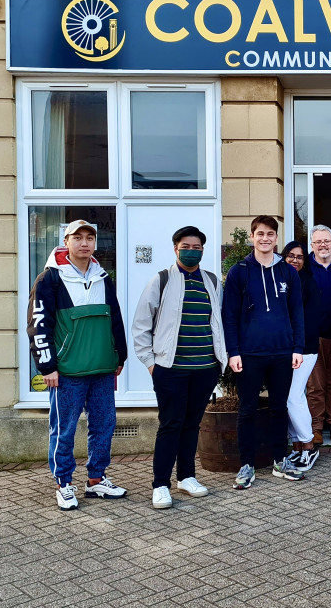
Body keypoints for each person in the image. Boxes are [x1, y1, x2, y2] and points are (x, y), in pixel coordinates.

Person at [27, 219, 128, 511]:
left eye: (89, 238)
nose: (84, 243)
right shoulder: (49, 279)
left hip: (102, 370)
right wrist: (47, 367)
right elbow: (37, 326)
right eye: (78, 238)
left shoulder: (102, 277)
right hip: (67, 372)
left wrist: (118, 356)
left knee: (104, 425)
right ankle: (64, 483)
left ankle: (96, 480)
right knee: (65, 429)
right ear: (66, 242)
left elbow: (115, 319)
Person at [132, 226, 226, 509]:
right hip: (170, 368)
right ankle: (160, 484)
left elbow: (217, 322)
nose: (191, 251)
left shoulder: (211, 280)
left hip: (205, 367)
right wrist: (150, 363)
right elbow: (141, 324)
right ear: (175, 248)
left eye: (197, 247)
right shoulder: (161, 280)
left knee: (192, 424)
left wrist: (219, 362)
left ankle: (186, 477)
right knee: (170, 424)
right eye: (186, 246)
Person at [222, 215, 305, 489]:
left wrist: (297, 347)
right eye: (260, 234)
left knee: (279, 408)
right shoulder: (239, 272)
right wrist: (233, 352)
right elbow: (229, 316)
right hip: (249, 354)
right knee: (247, 410)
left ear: (276, 238)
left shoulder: (288, 272)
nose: (265, 238)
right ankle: (246, 465)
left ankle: (280, 461)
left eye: (270, 234)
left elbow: (297, 312)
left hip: (282, 352)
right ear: (252, 237)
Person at [281, 240, 322, 473]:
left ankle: (309, 445)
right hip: (284, 349)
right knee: (289, 398)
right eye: (291, 256)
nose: (295, 260)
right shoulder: (281, 280)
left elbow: (309, 320)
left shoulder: (307, 282)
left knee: (293, 397)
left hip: (305, 349)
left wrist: (298, 346)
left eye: (300, 257)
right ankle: (296, 448)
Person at [307, 224, 331, 446]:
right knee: (315, 385)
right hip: (314, 337)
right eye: (318, 241)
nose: (323, 245)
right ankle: (316, 427)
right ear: (312, 245)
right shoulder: (304, 268)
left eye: (326, 241)